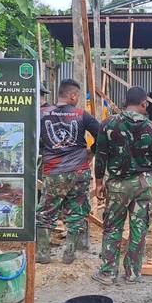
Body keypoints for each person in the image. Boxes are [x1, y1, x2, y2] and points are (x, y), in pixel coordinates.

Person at [92, 86, 152, 285]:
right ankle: (133, 273)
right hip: (143, 185)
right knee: (139, 229)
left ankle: (108, 273)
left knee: (112, 228)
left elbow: (101, 156)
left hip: (117, 186)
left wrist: (98, 182)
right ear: (144, 103)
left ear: (126, 102)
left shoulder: (108, 124)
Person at [36, 79, 101, 264]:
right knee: (76, 212)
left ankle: (43, 253)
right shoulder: (82, 115)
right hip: (79, 172)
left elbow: (33, 139)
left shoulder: (42, 114)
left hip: (54, 172)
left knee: (46, 212)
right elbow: (103, 136)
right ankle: (69, 253)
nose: (77, 99)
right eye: (77, 96)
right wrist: (91, 152)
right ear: (72, 95)